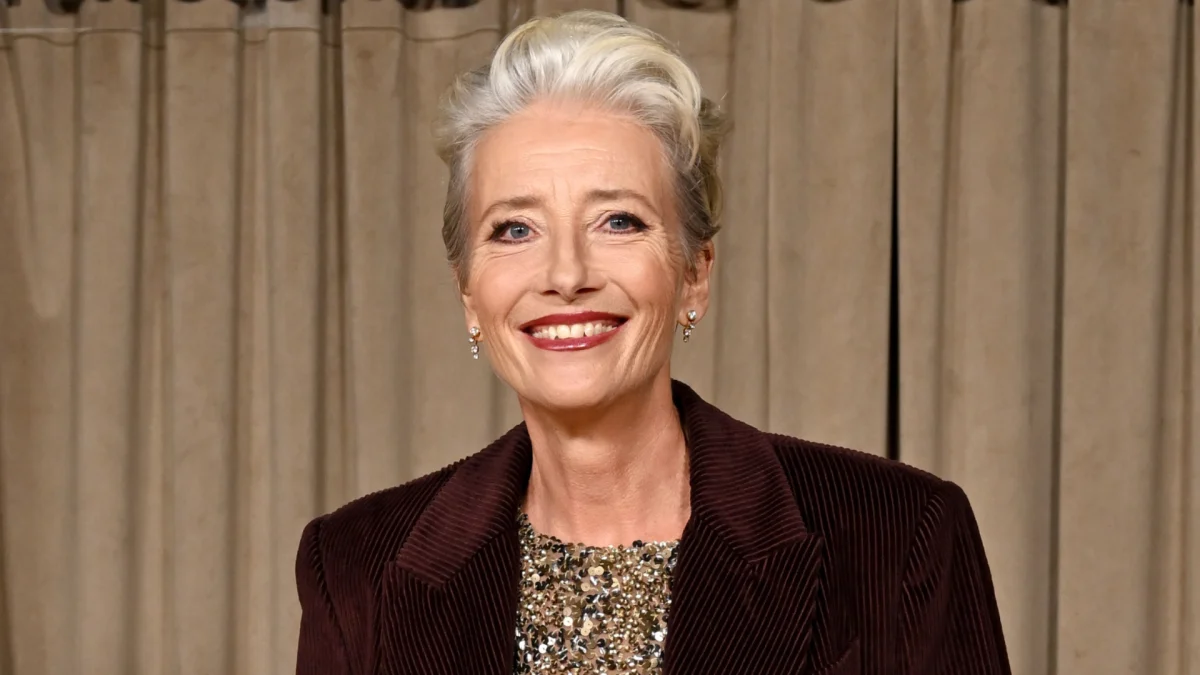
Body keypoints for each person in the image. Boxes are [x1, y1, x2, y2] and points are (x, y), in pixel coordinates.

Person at [293, 10, 1010, 675]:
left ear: (694, 273)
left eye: (619, 221)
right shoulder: (356, 567)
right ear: (468, 292)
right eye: (515, 229)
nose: (566, 274)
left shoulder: (901, 532)